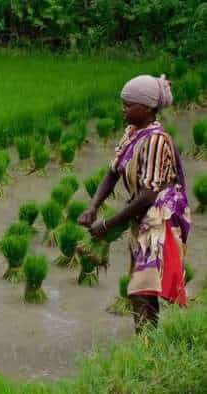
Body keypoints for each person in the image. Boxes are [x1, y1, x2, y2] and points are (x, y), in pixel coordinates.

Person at [78, 74, 191, 333]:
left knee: (142, 285)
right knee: (140, 284)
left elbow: (148, 195)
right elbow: (113, 171)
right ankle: (147, 341)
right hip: (142, 216)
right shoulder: (133, 133)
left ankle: (147, 346)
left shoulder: (156, 140)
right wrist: (93, 207)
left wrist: (107, 225)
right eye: (123, 103)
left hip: (159, 220)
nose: (123, 109)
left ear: (148, 108)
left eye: (129, 105)